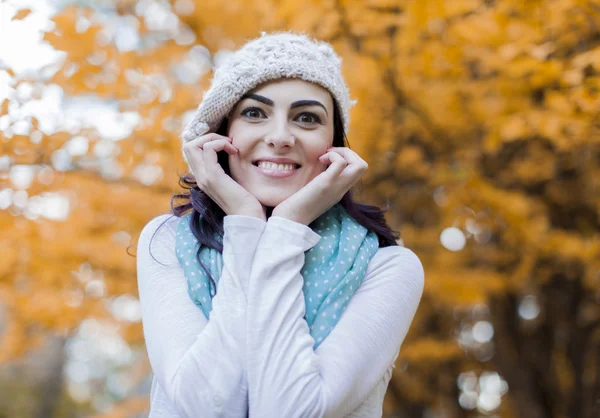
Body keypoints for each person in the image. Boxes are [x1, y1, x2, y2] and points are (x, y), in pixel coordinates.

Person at [136, 31, 425, 418]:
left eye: (306, 118)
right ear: (222, 132)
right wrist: (246, 224)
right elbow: (204, 407)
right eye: (255, 113)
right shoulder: (167, 241)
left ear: (334, 145)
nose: (280, 137)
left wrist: (287, 227)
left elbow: (292, 411)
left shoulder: (386, 266)